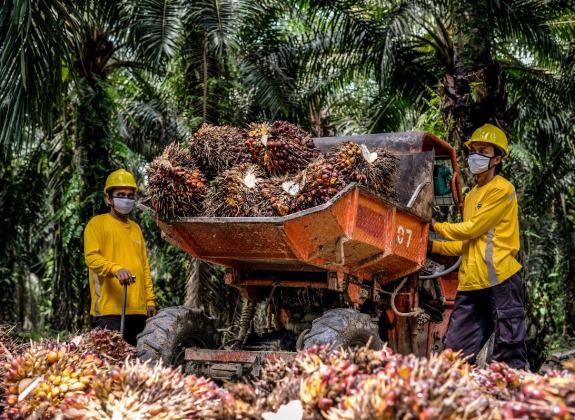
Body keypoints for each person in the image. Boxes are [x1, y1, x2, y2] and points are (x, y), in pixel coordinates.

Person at [429, 124, 527, 369]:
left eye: (483, 151)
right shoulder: (472, 194)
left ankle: (514, 401)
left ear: (498, 158)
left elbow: (472, 228)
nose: (476, 156)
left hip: (500, 279)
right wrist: (432, 247)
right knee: (453, 358)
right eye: (474, 150)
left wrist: (436, 226)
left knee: (509, 352)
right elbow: (467, 243)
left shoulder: (503, 189)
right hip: (472, 282)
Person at [84, 169, 157, 346]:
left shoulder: (136, 229)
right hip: (110, 310)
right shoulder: (97, 224)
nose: (126, 199)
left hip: (138, 309)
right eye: (121, 194)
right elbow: (92, 258)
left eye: (130, 195)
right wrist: (116, 269)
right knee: (112, 360)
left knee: (136, 362)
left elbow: (144, 266)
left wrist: (149, 299)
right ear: (109, 198)